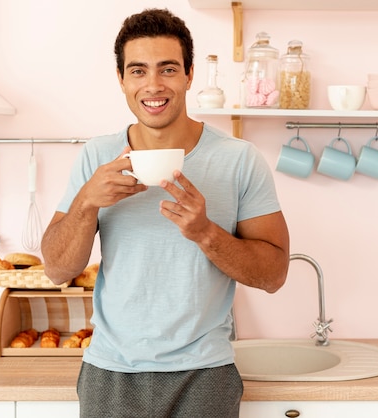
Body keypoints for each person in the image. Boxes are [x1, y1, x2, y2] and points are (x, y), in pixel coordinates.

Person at [41, 8, 290, 418]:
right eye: (138, 71)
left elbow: (274, 274)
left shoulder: (239, 159)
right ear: (121, 79)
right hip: (111, 373)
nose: (153, 85)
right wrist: (87, 201)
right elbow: (56, 269)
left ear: (189, 75)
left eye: (168, 69)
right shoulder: (97, 156)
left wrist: (205, 232)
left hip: (204, 375)